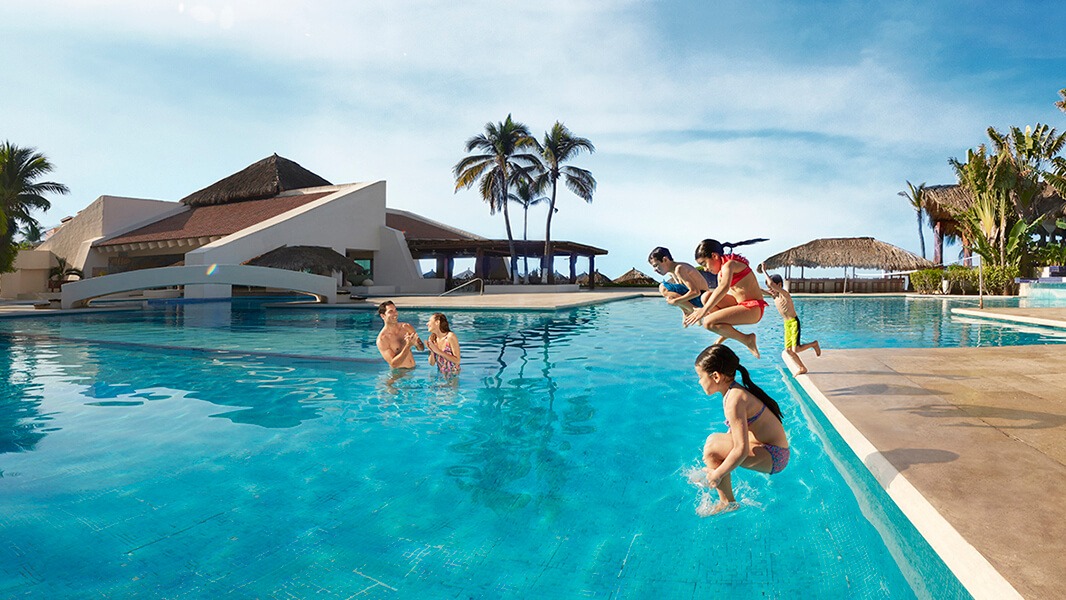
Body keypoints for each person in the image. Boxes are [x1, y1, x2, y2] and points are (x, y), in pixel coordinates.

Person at [694, 344, 789, 514]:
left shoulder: (734, 400)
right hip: (768, 448)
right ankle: (724, 493)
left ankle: (727, 503)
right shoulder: (733, 392)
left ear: (715, 376)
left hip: (775, 456)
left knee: (712, 448)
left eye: (700, 377)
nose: (699, 381)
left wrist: (717, 475)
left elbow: (741, 450)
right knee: (713, 442)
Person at [682, 238, 769, 358]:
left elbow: (723, 288)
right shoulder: (721, 272)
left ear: (714, 256)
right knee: (706, 296)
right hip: (740, 305)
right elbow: (719, 293)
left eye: (704, 264)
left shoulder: (730, 265)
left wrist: (704, 310)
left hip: (753, 309)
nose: (705, 269)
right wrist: (704, 309)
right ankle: (725, 332)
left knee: (708, 322)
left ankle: (747, 339)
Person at [760, 265, 821, 375]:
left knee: (796, 349)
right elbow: (759, 290)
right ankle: (802, 368)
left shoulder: (785, 294)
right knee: (788, 350)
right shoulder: (774, 295)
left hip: (793, 323)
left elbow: (771, 284)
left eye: (772, 287)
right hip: (786, 324)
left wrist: (764, 270)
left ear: (779, 285)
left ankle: (814, 344)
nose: (770, 289)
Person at [648, 246, 717, 318]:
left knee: (663, 287)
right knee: (665, 288)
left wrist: (675, 301)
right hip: (697, 298)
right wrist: (684, 313)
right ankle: (689, 312)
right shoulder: (672, 271)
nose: (655, 270)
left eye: (656, 265)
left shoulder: (679, 269)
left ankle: (695, 311)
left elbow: (695, 292)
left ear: (665, 259)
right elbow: (680, 292)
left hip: (702, 299)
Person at [376, 300, 425, 368]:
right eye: (391, 311)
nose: (395, 313)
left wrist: (417, 343)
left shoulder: (406, 327)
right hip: (399, 374)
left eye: (395, 310)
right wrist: (408, 346)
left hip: (413, 370)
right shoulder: (382, 339)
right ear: (383, 316)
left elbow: (421, 349)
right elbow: (394, 364)